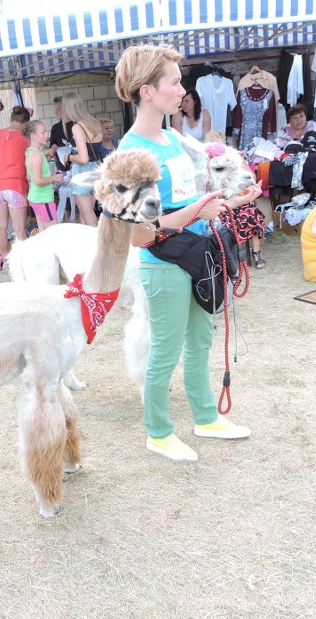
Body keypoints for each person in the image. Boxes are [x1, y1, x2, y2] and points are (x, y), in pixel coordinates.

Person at [115, 44, 262, 462]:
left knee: (199, 341)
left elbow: (189, 202)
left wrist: (231, 203)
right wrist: (201, 208)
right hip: (163, 264)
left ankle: (205, 416)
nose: (183, 90)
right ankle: (158, 432)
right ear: (146, 90)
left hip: (198, 255)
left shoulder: (175, 139)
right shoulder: (131, 154)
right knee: (165, 349)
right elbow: (139, 235)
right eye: (175, 82)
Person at [0, 106, 31, 257]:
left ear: (11, 119)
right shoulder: (26, 139)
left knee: (1, 228)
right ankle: (23, 262)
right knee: (19, 229)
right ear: (25, 124)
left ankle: (5, 261)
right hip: (15, 185)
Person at [63, 91, 103, 226]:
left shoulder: (77, 127)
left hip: (82, 173)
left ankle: (97, 245)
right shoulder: (95, 123)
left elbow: (83, 158)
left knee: (88, 215)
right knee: (87, 214)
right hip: (95, 170)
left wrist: (69, 156)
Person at [23, 120, 64, 232]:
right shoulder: (36, 154)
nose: (47, 135)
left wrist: (51, 175)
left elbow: (29, 177)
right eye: (43, 132)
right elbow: (38, 180)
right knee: (53, 233)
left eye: (47, 132)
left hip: (36, 198)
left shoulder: (30, 151)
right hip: (43, 199)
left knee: (43, 233)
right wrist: (55, 178)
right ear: (33, 136)